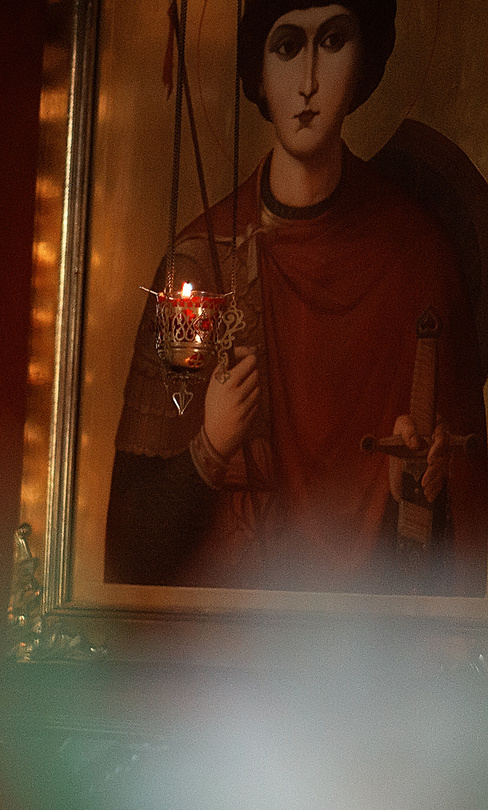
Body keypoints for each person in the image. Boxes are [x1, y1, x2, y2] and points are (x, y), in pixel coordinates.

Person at [104, 0, 485, 593]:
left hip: (369, 650)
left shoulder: (419, 255)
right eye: (287, 47)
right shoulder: (199, 267)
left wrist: (410, 493)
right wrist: (209, 445)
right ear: (258, 71)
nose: (308, 82)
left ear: (364, 62)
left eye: (333, 42)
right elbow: (134, 547)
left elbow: (466, 544)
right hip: (228, 652)